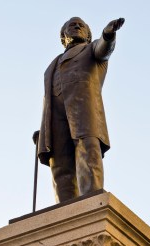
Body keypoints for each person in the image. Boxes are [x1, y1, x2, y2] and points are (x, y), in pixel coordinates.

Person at [34, 17, 125, 202]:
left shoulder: (91, 50)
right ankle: (65, 208)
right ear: (63, 36)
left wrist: (108, 35)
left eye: (80, 25)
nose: (76, 26)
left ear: (88, 35)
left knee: (87, 152)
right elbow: (48, 99)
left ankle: (90, 202)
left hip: (83, 111)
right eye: (71, 25)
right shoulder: (51, 66)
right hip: (55, 117)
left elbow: (103, 49)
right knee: (59, 163)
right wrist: (43, 128)